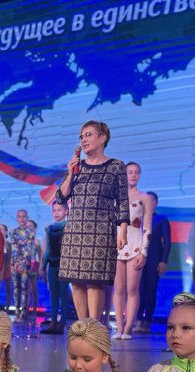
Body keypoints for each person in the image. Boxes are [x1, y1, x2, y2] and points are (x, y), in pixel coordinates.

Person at [56, 121, 129, 320]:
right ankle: (82, 326)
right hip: (75, 231)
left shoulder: (116, 166)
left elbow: (122, 201)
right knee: (76, 281)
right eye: (81, 136)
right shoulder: (77, 166)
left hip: (101, 231)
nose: (84, 139)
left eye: (88, 134)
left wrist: (122, 231)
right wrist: (70, 175)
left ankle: (94, 327)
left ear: (103, 138)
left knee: (94, 281)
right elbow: (60, 198)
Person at [113, 162, 153, 340]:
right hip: (117, 245)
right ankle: (119, 327)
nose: (133, 175)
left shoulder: (145, 198)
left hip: (135, 244)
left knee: (132, 288)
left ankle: (128, 327)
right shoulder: (115, 198)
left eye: (136, 172)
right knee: (118, 288)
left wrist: (144, 252)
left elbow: (147, 227)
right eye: (130, 172)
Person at [135, 192, 171, 333]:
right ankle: (138, 320)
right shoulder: (137, 219)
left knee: (150, 290)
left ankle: (147, 321)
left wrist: (163, 261)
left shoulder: (161, 219)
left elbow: (167, 242)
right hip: (138, 258)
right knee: (138, 290)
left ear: (156, 203)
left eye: (151, 200)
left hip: (154, 259)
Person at [41, 201, 70, 334]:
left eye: (59, 210)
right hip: (52, 266)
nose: (56, 213)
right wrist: (43, 266)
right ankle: (53, 322)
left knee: (63, 295)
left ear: (66, 211)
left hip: (64, 266)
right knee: (53, 295)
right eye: (54, 210)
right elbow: (48, 249)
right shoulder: (49, 228)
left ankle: (62, 323)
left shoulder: (69, 226)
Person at [10, 209, 34, 322]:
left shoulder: (30, 232)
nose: (22, 219)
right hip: (14, 264)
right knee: (16, 288)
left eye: (24, 216)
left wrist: (22, 263)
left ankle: (24, 314)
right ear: (17, 218)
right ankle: (17, 313)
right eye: (19, 216)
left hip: (25, 264)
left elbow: (28, 249)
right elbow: (14, 247)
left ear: (27, 217)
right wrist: (16, 263)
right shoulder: (13, 232)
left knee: (24, 288)